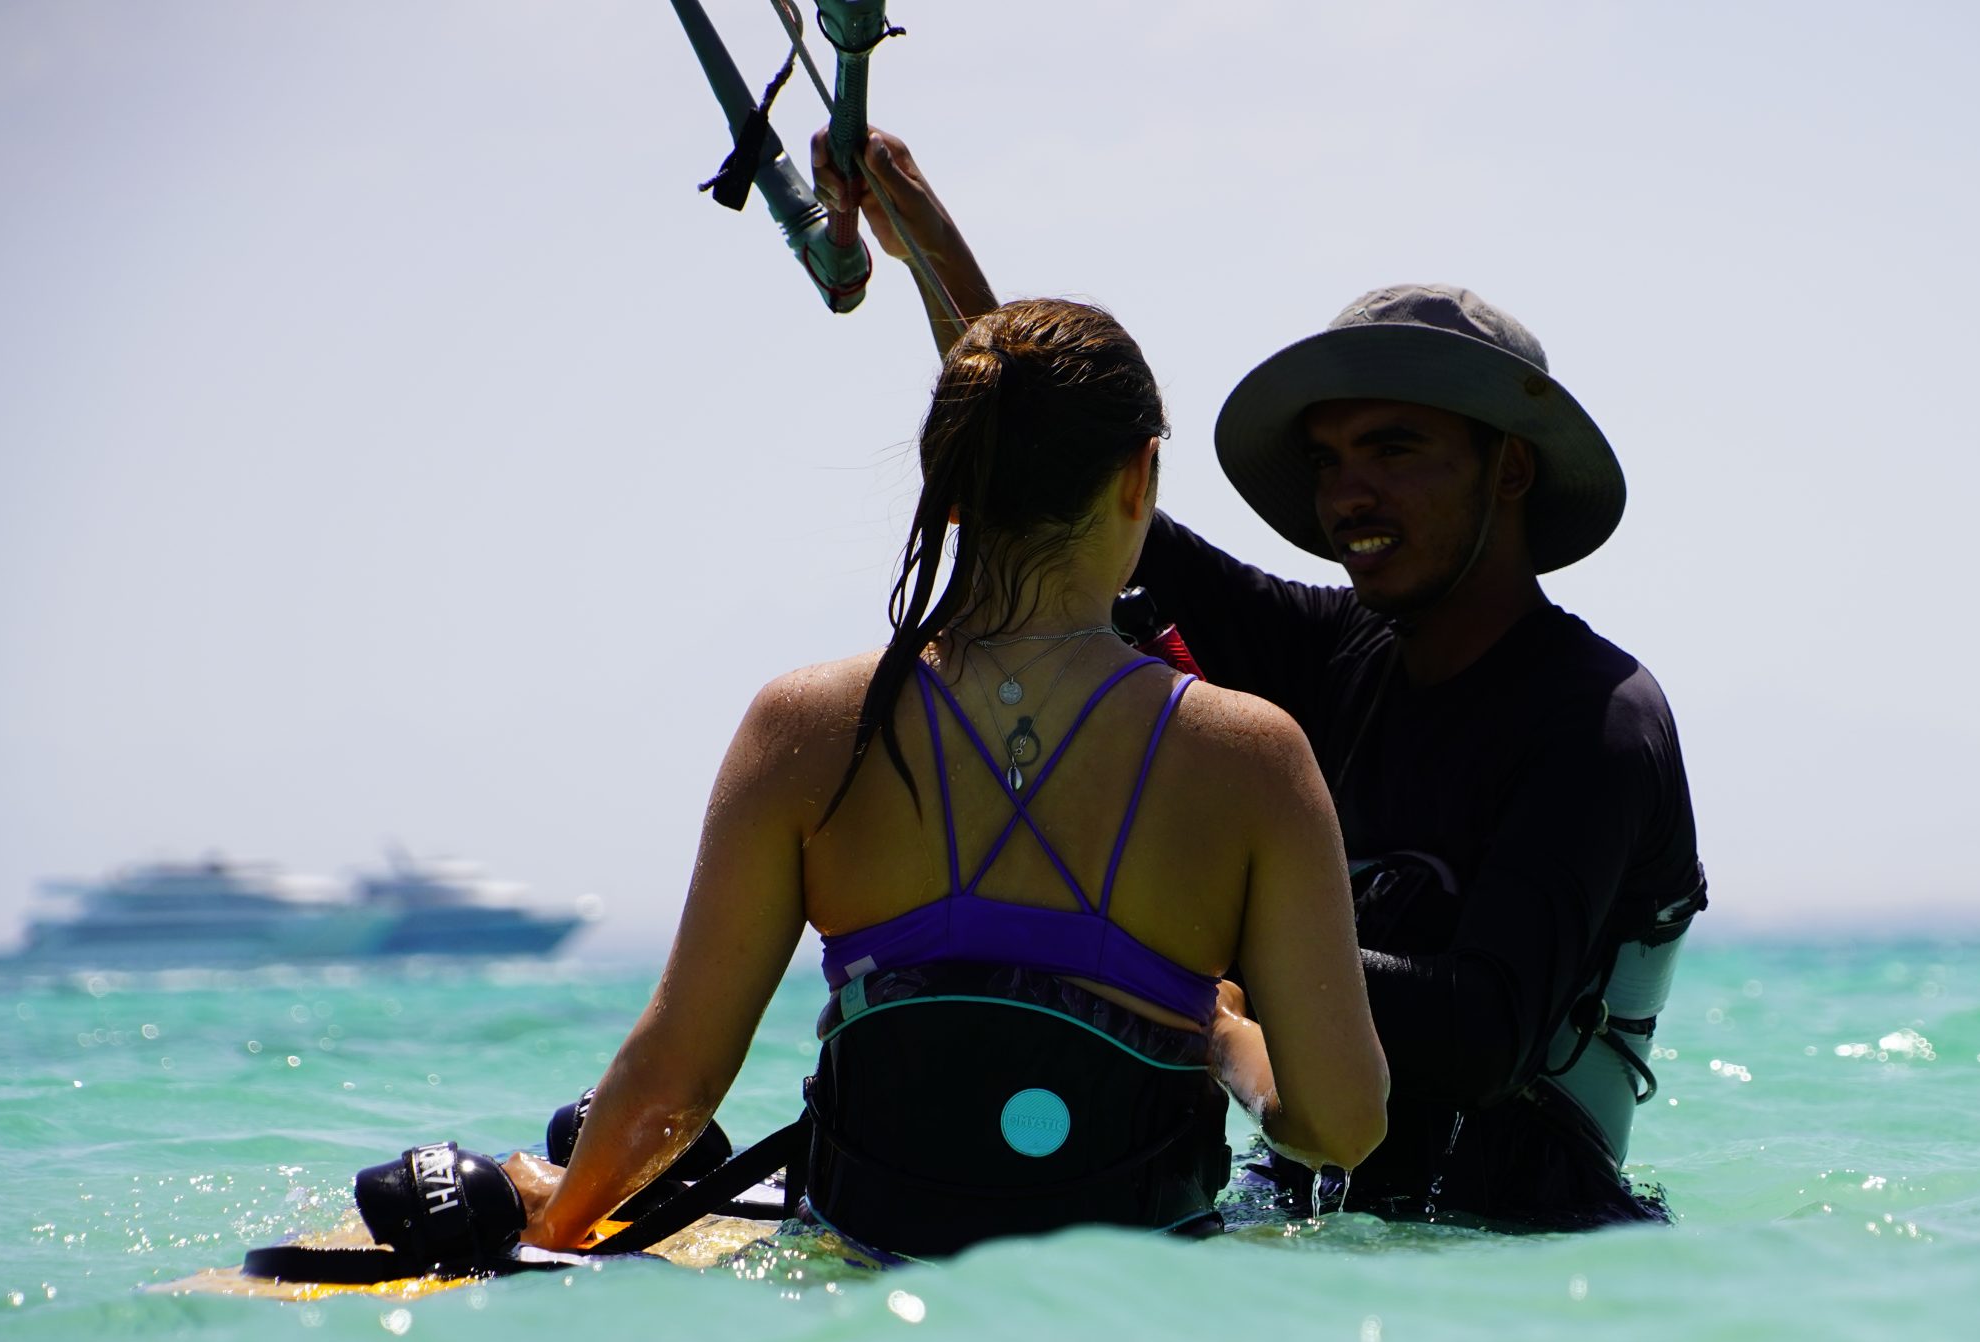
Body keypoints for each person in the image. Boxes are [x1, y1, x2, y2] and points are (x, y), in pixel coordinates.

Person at [816, 131, 1705, 1231]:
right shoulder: (1333, 655)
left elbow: (1485, 1039)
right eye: (1326, 462)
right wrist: (931, 250)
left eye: (1392, 450)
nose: (1348, 495)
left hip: (1522, 1250)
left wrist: (1219, 945)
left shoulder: (1599, 721)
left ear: (1509, 469)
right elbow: (1069, 488)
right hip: (1301, 1222)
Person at [515, 299, 1388, 1261]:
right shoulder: (1252, 756)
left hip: (866, 1278)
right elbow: (1341, 1125)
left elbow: (673, 1085)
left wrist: (555, 1233)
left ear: (950, 480)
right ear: (1141, 476)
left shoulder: (803, 726)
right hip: (1140, 1315)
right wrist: (1225, 1039)